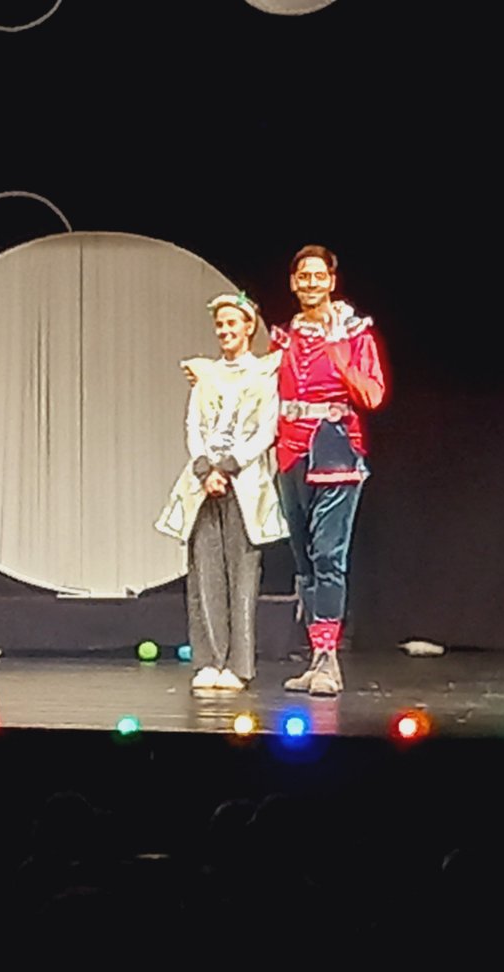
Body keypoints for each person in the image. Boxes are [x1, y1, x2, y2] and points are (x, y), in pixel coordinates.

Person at [270, 245, 385, 696]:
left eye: (319, 276)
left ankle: (328, 660)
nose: (312, 283)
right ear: (293, 282)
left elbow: (372, 395)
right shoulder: (285, 337)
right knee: (303, 561)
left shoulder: (355, 334)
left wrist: (339, 353)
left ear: (332, 282)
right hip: (290, 454)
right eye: (304, 276)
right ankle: (315, 654)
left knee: (327, 557)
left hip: (334, 453)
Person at [158, 293, 286, 691]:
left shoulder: (264, 374)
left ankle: (239, 664)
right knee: (204, 574)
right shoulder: (207, 376)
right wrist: (204, 468)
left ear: (248, 327)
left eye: (232, 323)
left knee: (242, 576)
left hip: (243, 483)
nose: (225, 330)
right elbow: (193, 425)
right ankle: (209, 660)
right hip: (203, 484)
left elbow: (266, 430)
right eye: (220, 324)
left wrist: (228, 468)